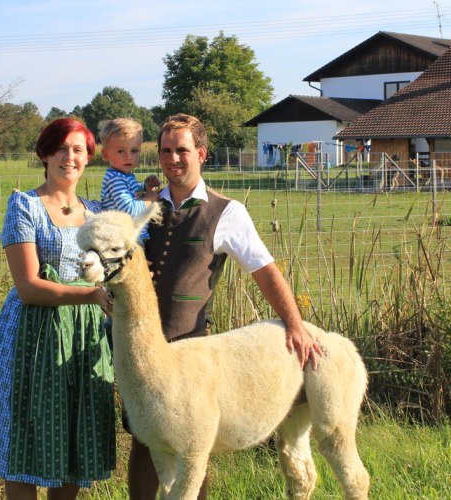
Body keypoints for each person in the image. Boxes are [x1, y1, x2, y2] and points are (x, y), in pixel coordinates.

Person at [127, 113, 323, 500]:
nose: (173, 159)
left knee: (191, 450)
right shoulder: (143, 204)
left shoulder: (226, 212)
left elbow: (265, 272)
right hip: (140, 349)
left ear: (201, 153)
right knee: (143, 442)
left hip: (189, 349)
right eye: (166, 150)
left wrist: (295, 325)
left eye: (182, 150)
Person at [0, 118, 115, 500]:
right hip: (33, 334)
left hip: (83, 337)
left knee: (71, 430)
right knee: (26, 430)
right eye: (60, 148)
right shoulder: (25, 206)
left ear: (88, 157)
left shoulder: (98, 212)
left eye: (78, 149)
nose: (69, 157)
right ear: (44, 154)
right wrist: (90, 295)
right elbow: (28, 286)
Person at [99, 117, 161, 243]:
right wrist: (148, 200)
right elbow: (129, 209)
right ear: (106, 154)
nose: (128, 157)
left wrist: (144, 186)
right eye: (121, 151)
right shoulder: (115, 179)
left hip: (131, 236)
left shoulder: (124, 176)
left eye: (134, 151)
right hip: (123, 240)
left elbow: (130, 193)